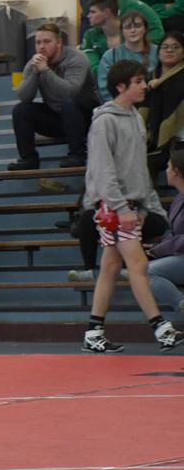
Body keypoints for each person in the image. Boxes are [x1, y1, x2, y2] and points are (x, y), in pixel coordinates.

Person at [82, 59, 183, 353]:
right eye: (138, 82)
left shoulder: (136, 118)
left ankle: (93, 332)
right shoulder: (104, 121)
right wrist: (121, 208)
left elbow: (139, 169)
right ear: (121, 86)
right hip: (113, 206)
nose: (144, 86)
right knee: (138, 265)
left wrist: (153, 208)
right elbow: (103, 170)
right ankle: (162, 329)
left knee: (111, 267)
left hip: (132, 203)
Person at [8, 22, 100, 171]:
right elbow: (24, 97)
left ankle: (77, 154)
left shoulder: (77, 58)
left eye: (47, 41)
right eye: (38, 42)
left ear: (59, 43)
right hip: (58, 117)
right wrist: (36, 72)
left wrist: (45, 71)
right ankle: (28, 158)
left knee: (69, 103)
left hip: (87, 116)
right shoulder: (34, 64)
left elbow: (70, 92)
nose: (41, 47)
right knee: (21, 110)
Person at [146, 147, 184, 317]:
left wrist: (158, 250)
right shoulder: (179, 198)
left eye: (168, 167)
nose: (166, 171)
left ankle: (181, 305)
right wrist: (157, 246)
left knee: (146, 272)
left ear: (176, 171)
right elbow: (175, 233)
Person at [141, 31, 184, 168]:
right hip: (148, 139)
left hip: (177, 141)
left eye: (175, 47)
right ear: (158, 52)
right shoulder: (146, 79)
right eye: (165, 47)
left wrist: (159, 85)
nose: (170, 50)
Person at [98, 10, 158, 102]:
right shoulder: (111, 55)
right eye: (127, 27)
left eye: (137, 26)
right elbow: (104, 88)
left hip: (153, 104)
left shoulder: (158, 51)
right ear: (121, 31)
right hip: (120, 106)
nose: (133, 30)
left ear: (145, 29)